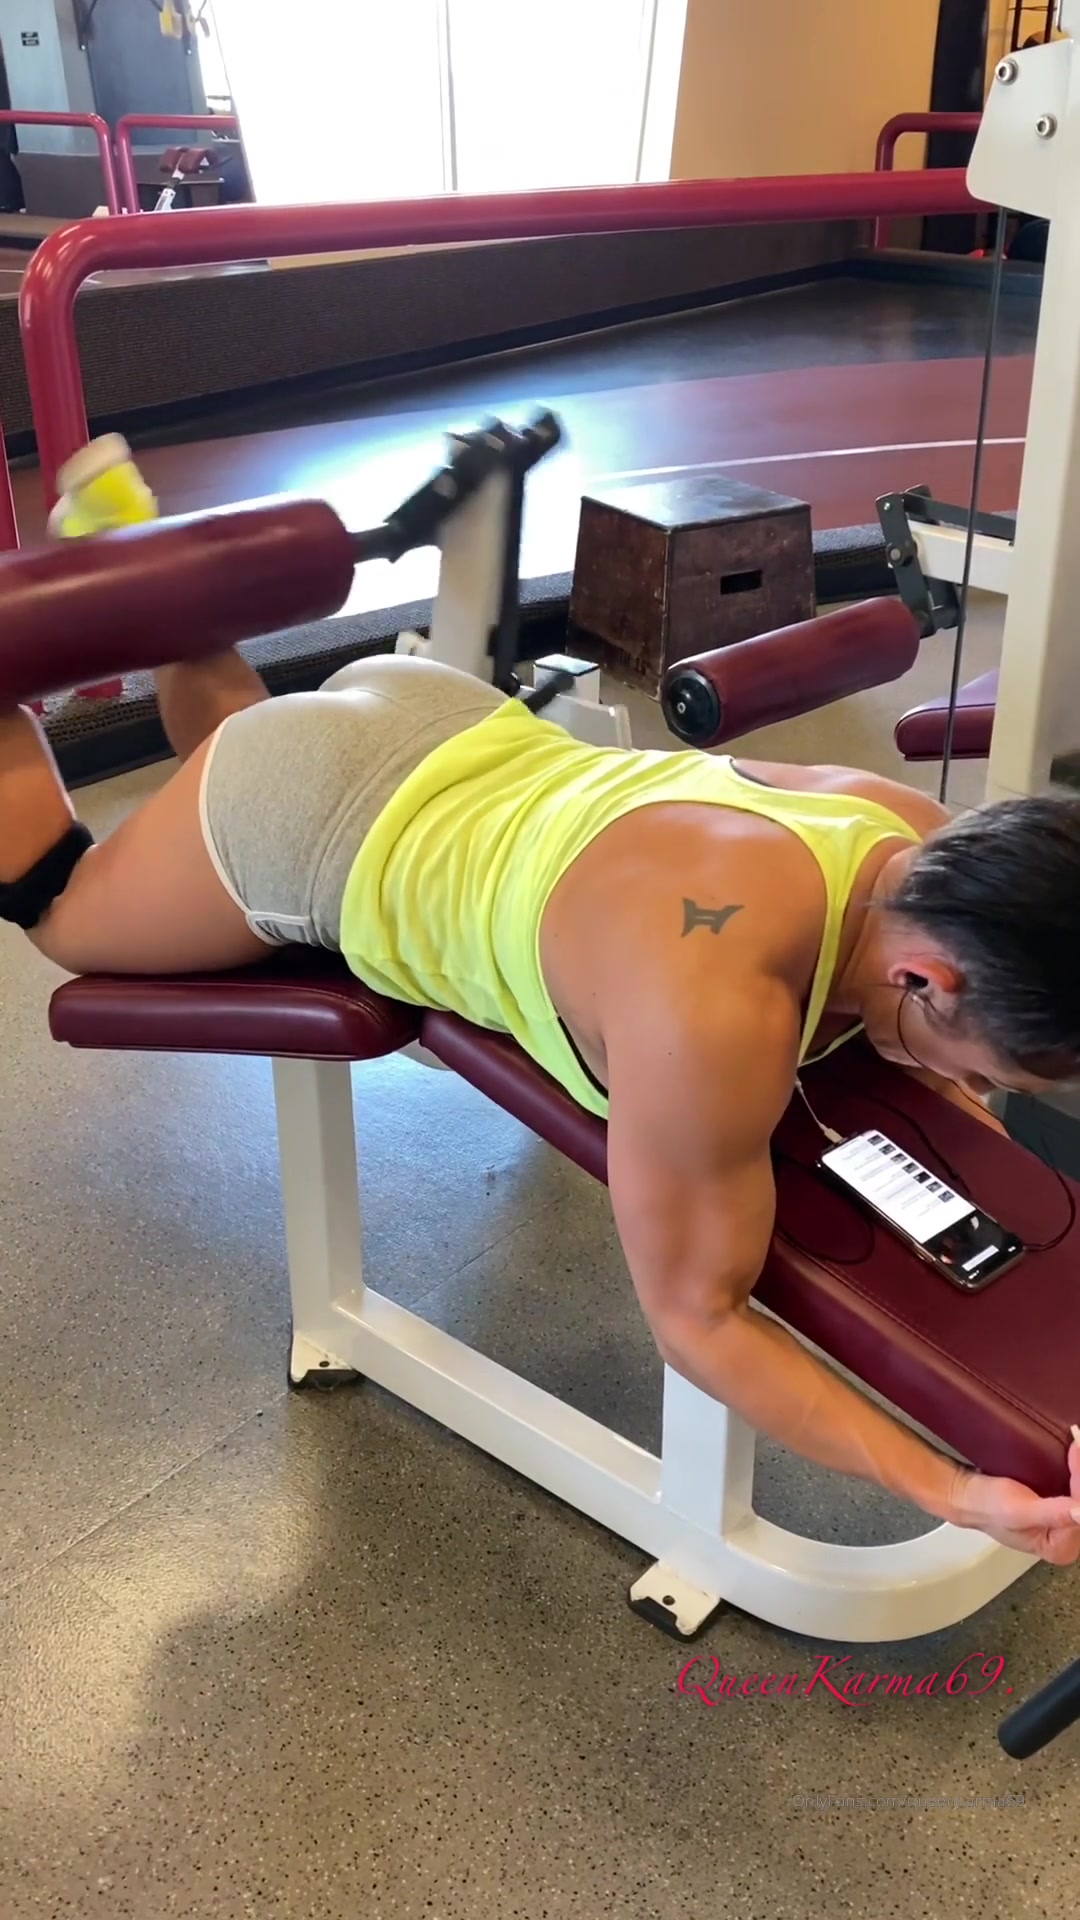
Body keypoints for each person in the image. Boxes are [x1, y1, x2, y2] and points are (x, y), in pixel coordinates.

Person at [4, 643, 1080, 1565]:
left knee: (236, 756)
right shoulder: (713, 1012)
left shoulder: (915, 832)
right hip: (318, 818)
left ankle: (181, 628)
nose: (980, 1093)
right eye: (994, 1071)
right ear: (927, 978)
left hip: (443, 717)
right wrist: (949, 1490)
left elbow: (929, 1047)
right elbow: (702, 1322)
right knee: (60, 905)